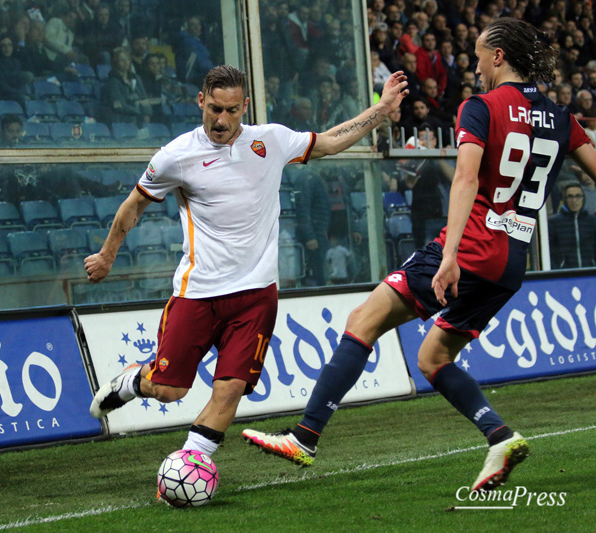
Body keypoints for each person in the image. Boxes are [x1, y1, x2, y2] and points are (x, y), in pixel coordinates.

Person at [243, 18, 596, 494]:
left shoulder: (481, 107)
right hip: (512, 264)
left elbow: (467, 180)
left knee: (364, 320)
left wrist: (449, 255)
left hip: (468, 248)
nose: (474, 65)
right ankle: (499, 436)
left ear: (498, 57)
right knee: (433, 357)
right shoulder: (561, 118)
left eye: (477, 55)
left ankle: (304, 437)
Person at [87, 65, 409, 461]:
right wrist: (107, 255)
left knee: (230, 388)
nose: (221, 120)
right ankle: (135, 379)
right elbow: (133, 206)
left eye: (232, 111)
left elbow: (328, 142)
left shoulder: (270, 140)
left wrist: (382, 108)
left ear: (245, 106)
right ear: (201, 101)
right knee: (171, 391)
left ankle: (192, 463)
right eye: (214, 109)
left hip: (256, 295)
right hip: (198, 292)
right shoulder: (176, 156)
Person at [548, 182, 596, 269]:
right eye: (570, 196)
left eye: (578, 196)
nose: (574, 200)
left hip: (590, 272)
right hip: (565, 274)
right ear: (564, 199)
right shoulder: (554, 222)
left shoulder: (593, 221)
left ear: (583, 198)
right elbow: (549, 250)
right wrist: (557, 268)